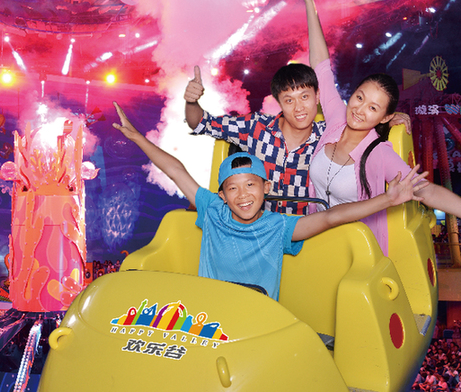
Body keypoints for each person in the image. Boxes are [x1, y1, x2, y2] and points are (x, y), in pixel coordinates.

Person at [112, 102, 427, 299]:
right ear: (221, 195)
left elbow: (332, 217)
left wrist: (387, 198)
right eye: (233, 188)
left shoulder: (279, 226)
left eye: (250, 185)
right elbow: (175, 170)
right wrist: (138, 138)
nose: (243, 195)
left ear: (266, 188)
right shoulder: (212, 210)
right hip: (209, 319)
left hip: (257, 321)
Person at [297, 0, 461, 256]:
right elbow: (320, 65)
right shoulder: (335, 119)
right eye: (359, 98)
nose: (360, 109)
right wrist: (309, 1)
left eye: (373, 108)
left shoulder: (379, 153)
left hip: (357, 254)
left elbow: (426, 191)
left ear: (385, 117)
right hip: (316, 245)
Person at [185, 62, 411, 215]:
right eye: (289, 100)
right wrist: (192, 102)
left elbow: (360, 125)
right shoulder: (256, 127)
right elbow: (201, 123)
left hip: (306, 233)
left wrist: (386, 119)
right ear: (279, 102)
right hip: (259, 229)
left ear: (317, 97)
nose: (299, 107)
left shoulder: (329, 135)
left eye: (305, 97)